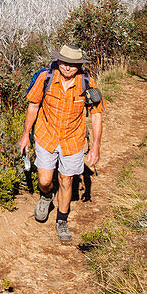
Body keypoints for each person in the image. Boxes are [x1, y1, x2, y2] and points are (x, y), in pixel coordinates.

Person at [17, 44, 105, 242]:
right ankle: (47, 196)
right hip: (46, 135)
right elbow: (33, 106)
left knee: (67, 180)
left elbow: (97, 115)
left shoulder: (87, 84)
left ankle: (62, 220)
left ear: (80, 66)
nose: (68, 68)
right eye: (65, 63)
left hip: (73, 139)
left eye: (73, 65)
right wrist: (25, 135)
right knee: (45, 180)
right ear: (58, 61)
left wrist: (96, 146)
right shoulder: (45, 78)